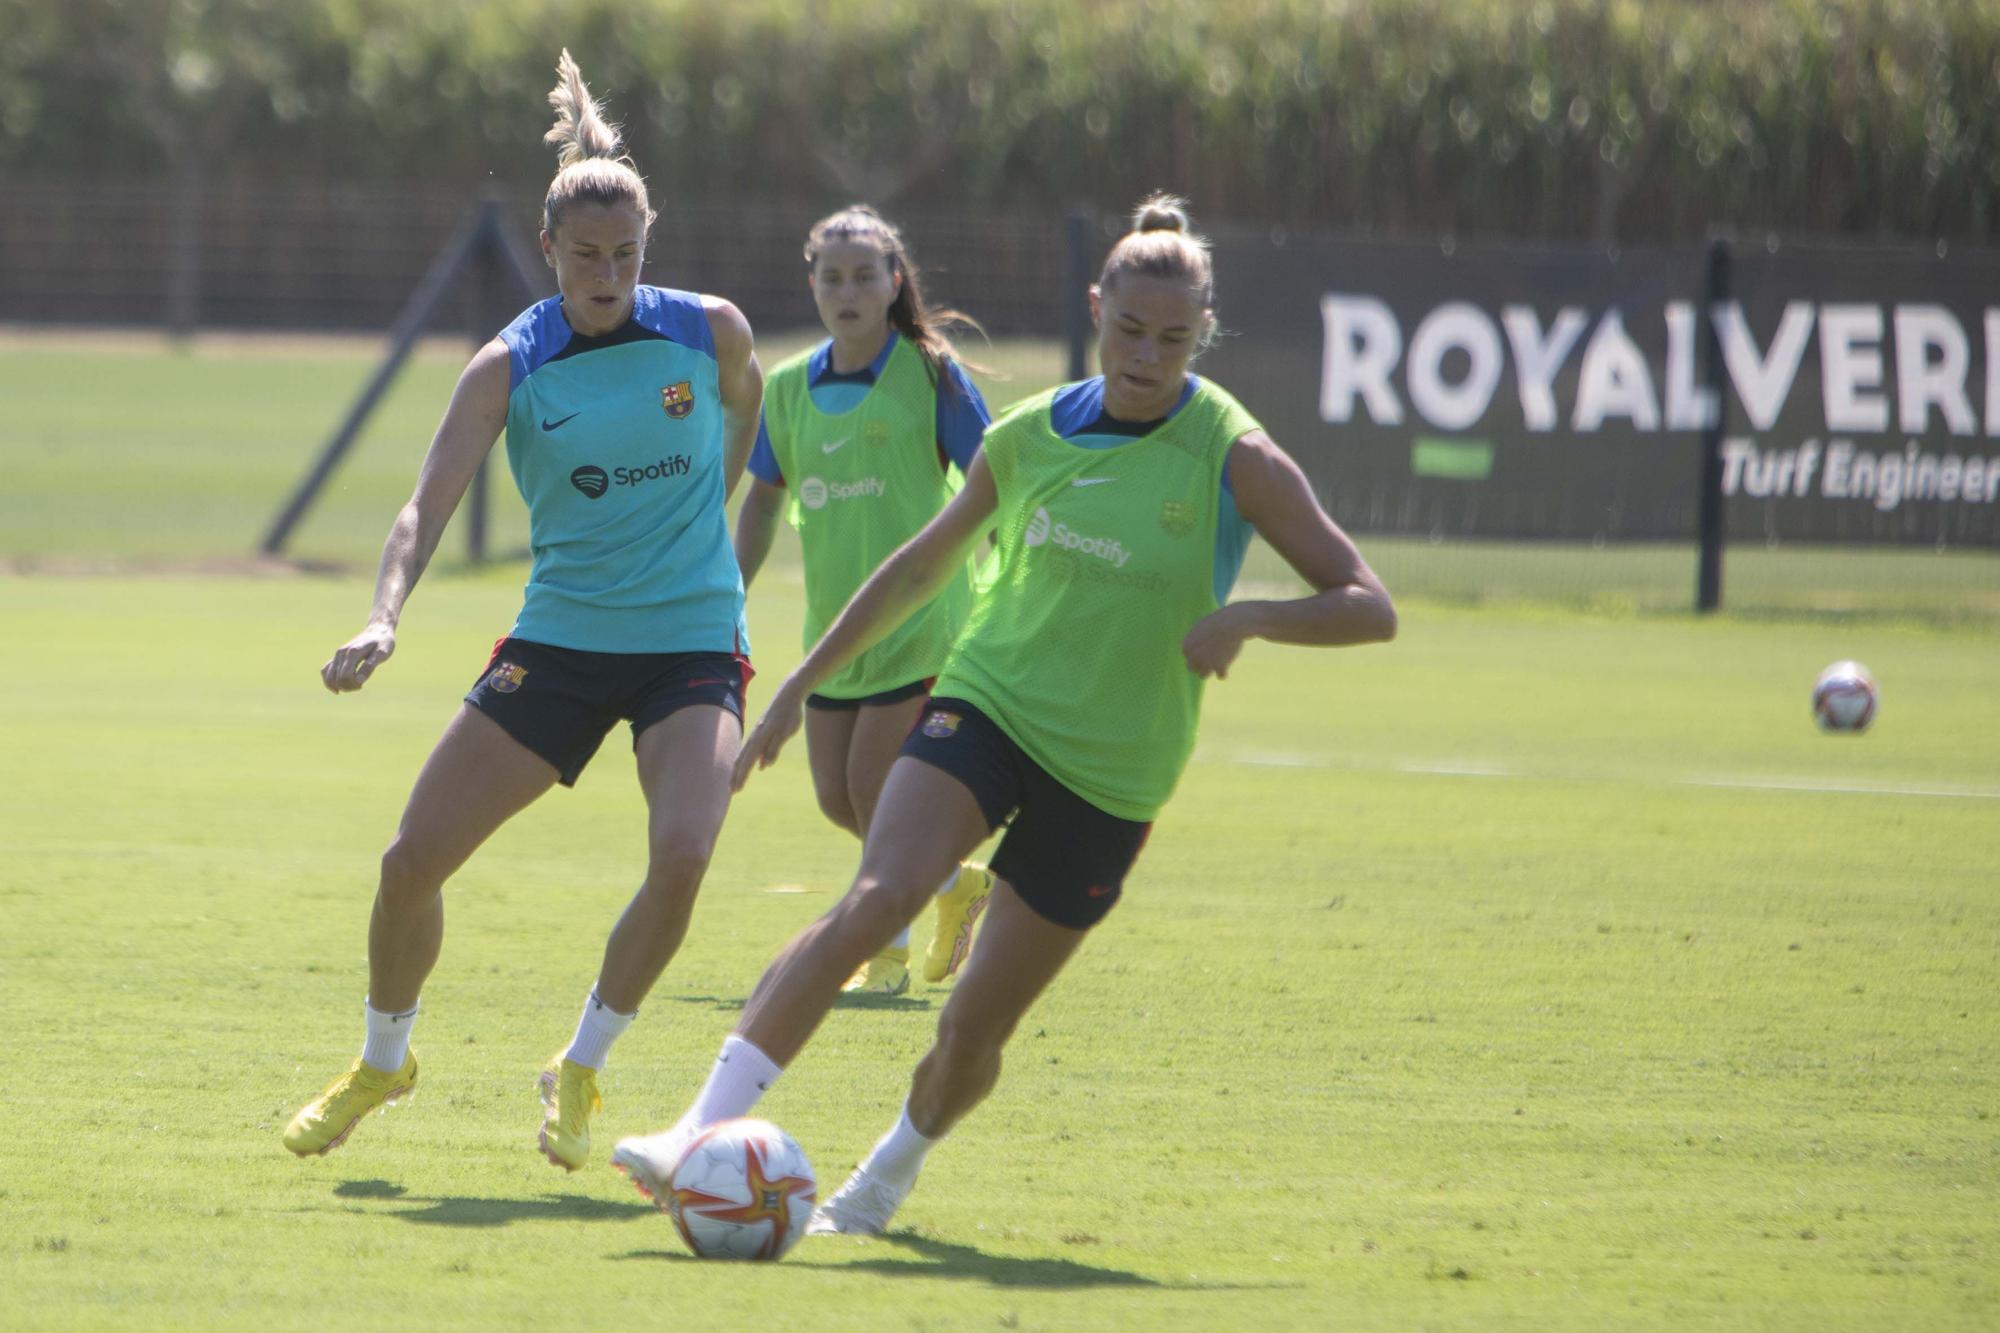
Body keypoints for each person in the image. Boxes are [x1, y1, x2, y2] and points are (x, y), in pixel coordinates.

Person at [609, 196, 1397, 1234]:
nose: (1147, 356)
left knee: (972, 1028)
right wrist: (797, 685)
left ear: (1203, 331)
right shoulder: (1029, 434)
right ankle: (695, 1132)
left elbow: (1365, 604)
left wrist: (1245, 614)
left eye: (1174, 338)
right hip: (986, 703)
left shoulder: (1230, 452)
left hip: (1113, 771)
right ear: (1095, 310)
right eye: (1128, 330)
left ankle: (883, 1176)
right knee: (876, 895)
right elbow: (916, 565)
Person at [282, 51, 763, 1174]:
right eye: (585, 257)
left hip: (692, 641)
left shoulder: (711, 332)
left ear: (649, 246)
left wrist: (713, 517)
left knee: (686, 851)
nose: (606, 274)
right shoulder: (509, 366)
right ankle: (382, 1060)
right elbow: (423, 504)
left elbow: (748, 421)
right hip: (560, 642)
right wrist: (383, 616)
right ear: (548, 251)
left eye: (625, 255)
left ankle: (584, 1064)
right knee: (409, 863)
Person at [734, 205, 996, 997]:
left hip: (923, 621)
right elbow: (761, 504)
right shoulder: (784, 388)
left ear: (894, 282)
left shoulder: (930, 373)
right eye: (831, 276)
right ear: (811, 283)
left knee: (876, 788)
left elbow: (994, 480)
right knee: (835, 795)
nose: (847, 290)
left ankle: (882, 951)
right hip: (835, 634)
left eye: (864, 275)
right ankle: (953, 882)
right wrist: (725, 592)